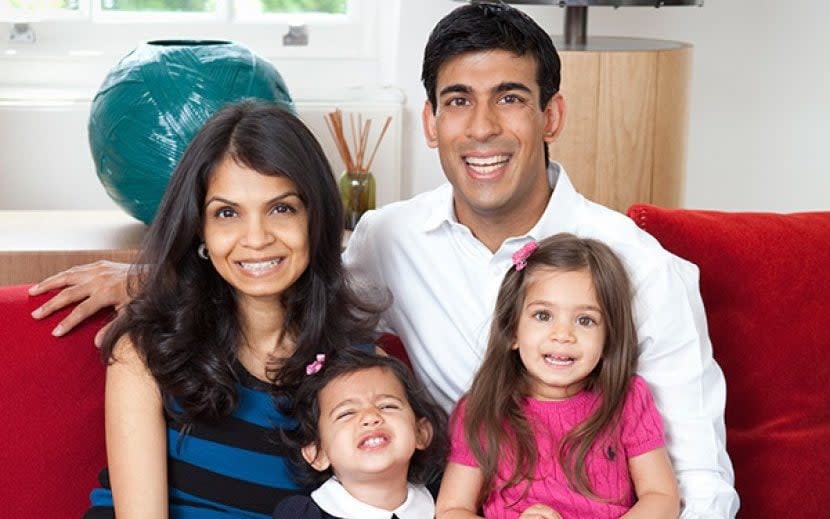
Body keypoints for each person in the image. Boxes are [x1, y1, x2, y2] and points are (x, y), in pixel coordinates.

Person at [30, 2, 739, 516]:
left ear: (551, 115)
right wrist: (154, 273)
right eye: (458, 100)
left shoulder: (639, 267)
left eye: (511, 99)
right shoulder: (388, 239)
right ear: (430, 122)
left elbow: (701, 485)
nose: (483, 126)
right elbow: (278, 260)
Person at [83, 100, 382, 518]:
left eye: (281, 209)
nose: (255, 238)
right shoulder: (146, 352)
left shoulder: (363, 372)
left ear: (316, 219)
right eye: (226, 213)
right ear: (200, 229)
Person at [436, 234, 679, 518]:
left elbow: (661, 496)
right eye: (543, 316)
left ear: (608, 339)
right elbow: (452, 509)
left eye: (585, 320)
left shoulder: (627, 399)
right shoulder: (483, 408)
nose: (563, 335)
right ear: (512, 330)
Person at [273, 348, 448, 518]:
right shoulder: (305, 515)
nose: (371, 417)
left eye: (387, 405)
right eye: (347, 413)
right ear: (318, 453)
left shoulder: (446, 503)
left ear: (421, 432)